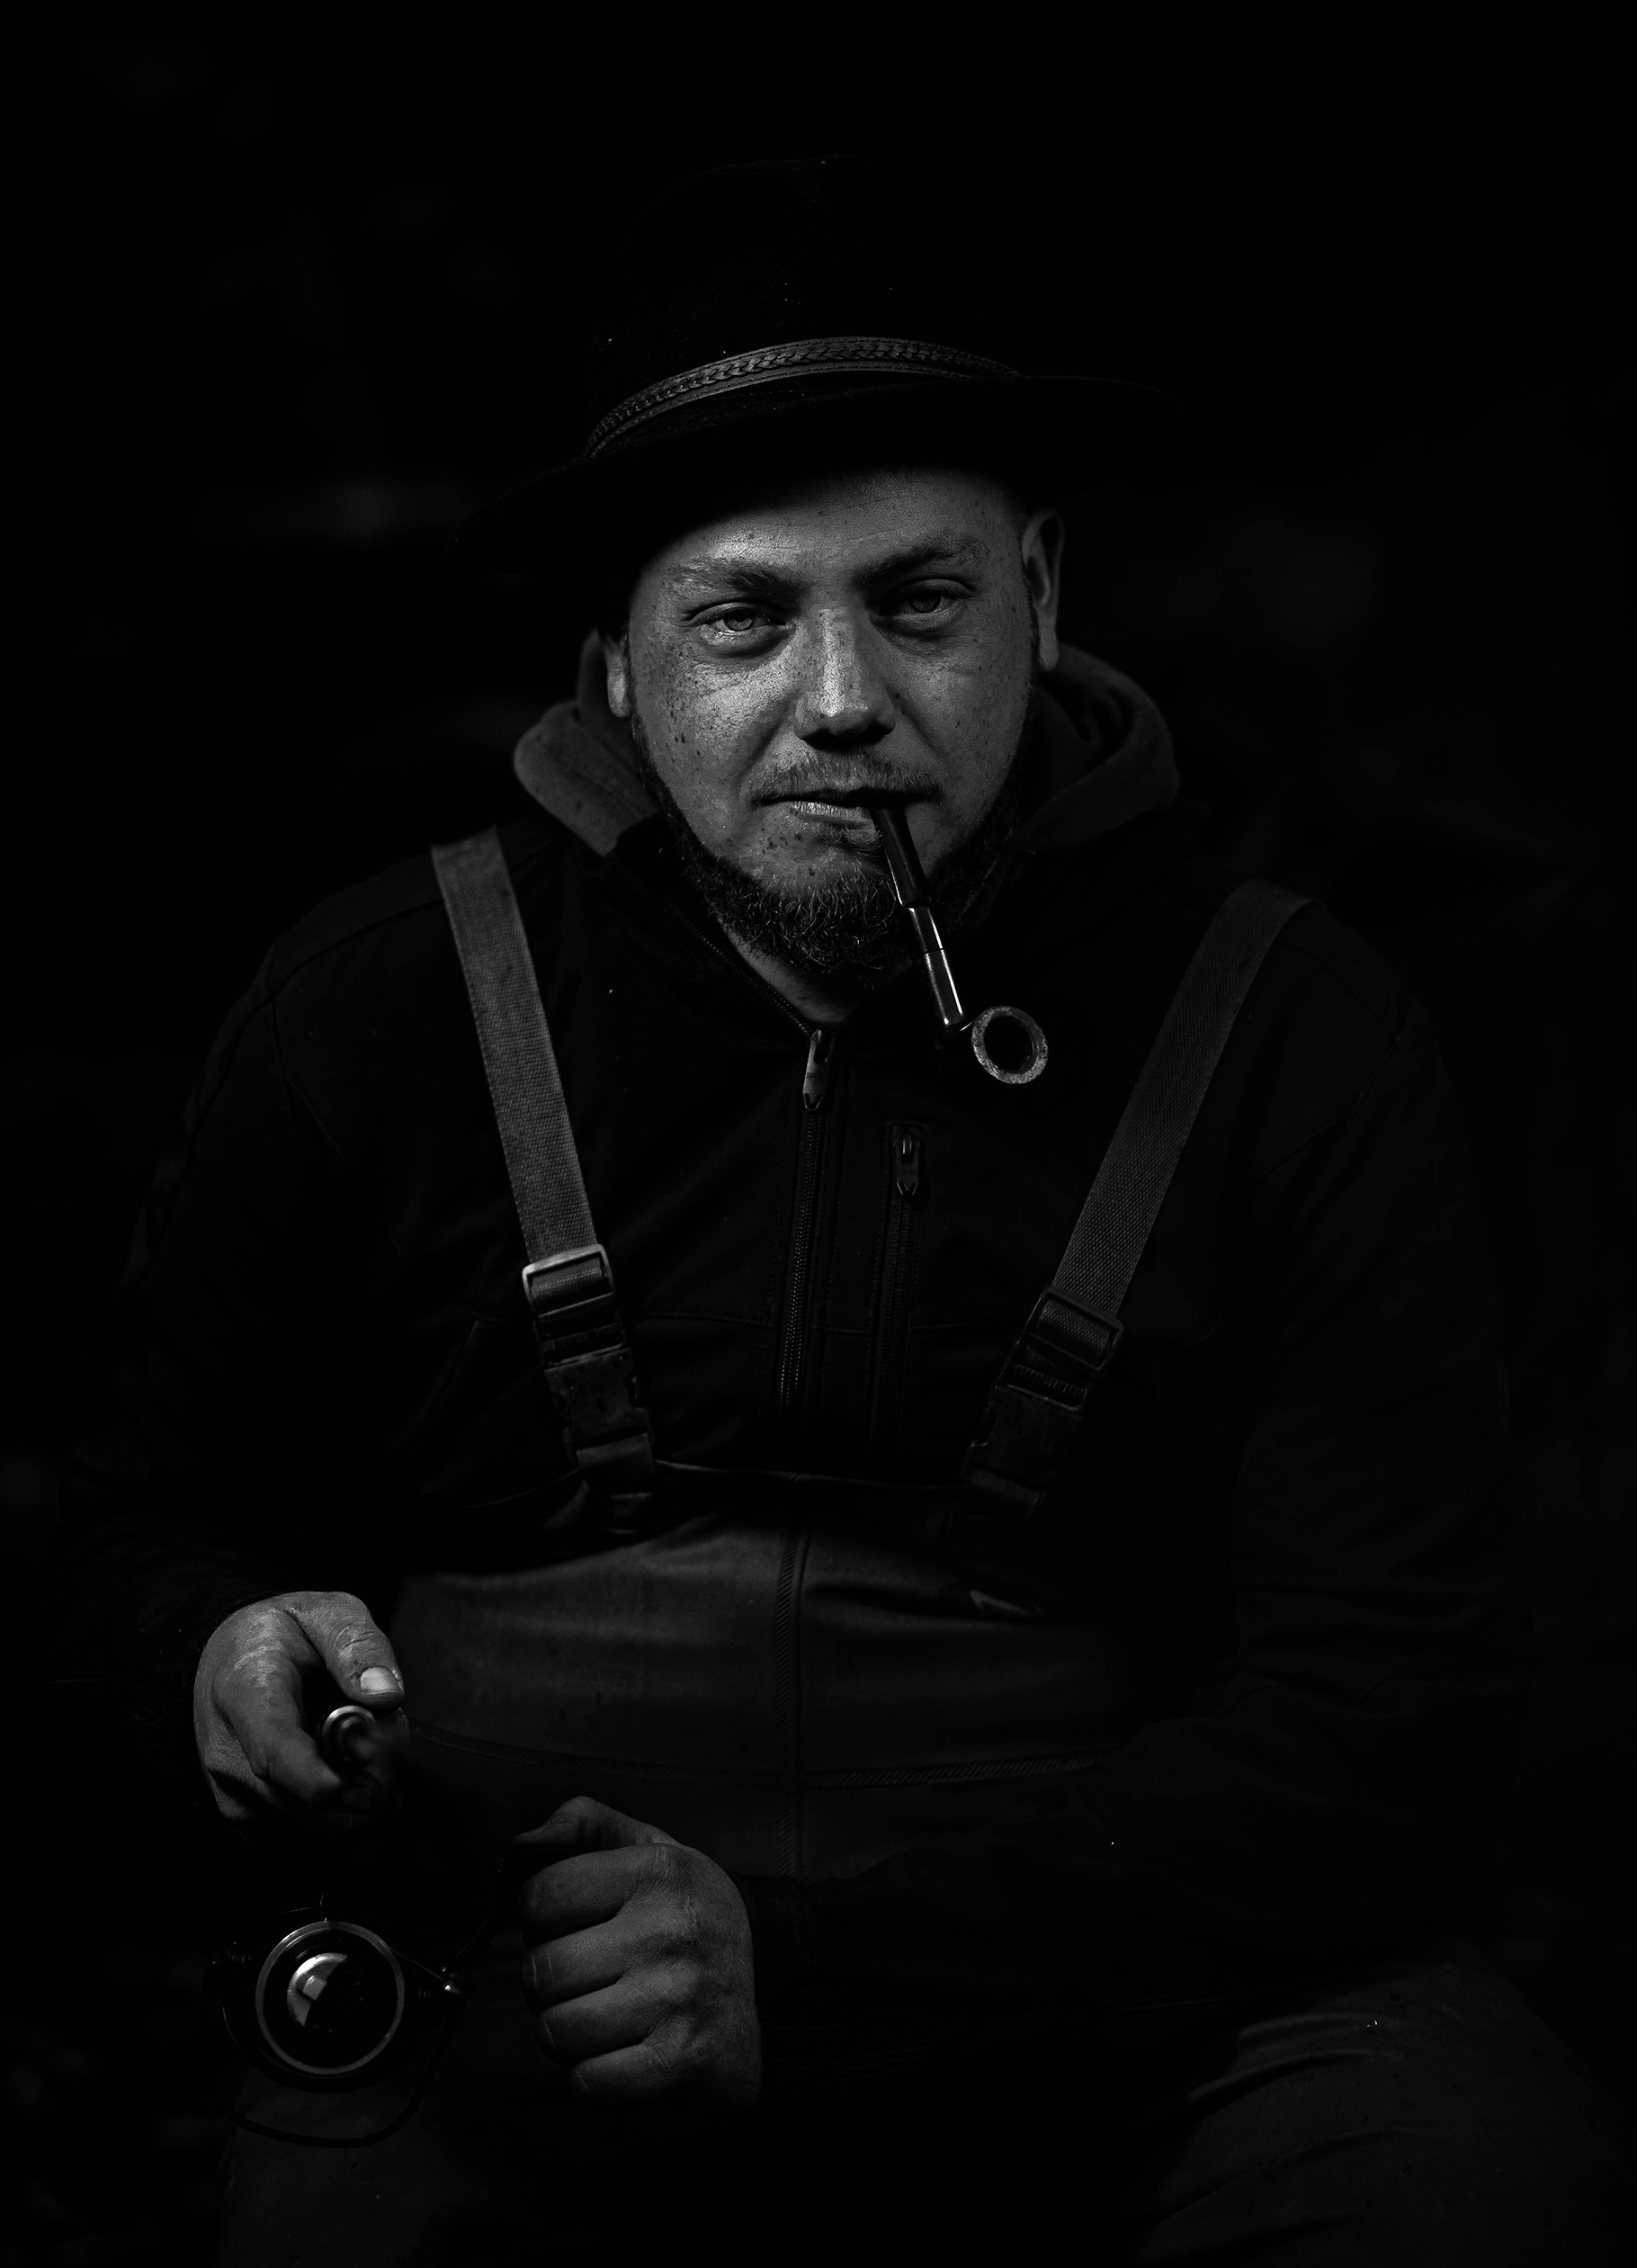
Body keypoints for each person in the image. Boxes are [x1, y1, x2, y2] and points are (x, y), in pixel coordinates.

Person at [67, 157, 1624, 2263]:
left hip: (1141, 1988)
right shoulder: (372, 1006)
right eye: (740, 617)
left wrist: (821, 1975)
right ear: (616, 664)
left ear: (1040, 598)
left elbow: (1389, 1711)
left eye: (918, 602)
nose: (837, 700)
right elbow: (153, 1516)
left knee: (1468, 2187)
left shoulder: (1289, 1033)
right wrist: (219, 1643)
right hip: (510, 1979)